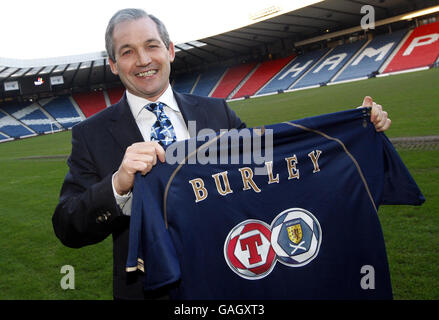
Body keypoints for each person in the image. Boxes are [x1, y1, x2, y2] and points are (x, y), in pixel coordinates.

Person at [52, 8, 391, 300]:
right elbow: (68, 226)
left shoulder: (215, 112)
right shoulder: (91, 134)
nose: (142, 60)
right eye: (127, 51)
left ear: (170, 50)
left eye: (151, 45)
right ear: (112, 64)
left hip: (230, 281)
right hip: (148, 292)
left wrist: (351, 132)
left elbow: (273, 165)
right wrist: (118, 185)